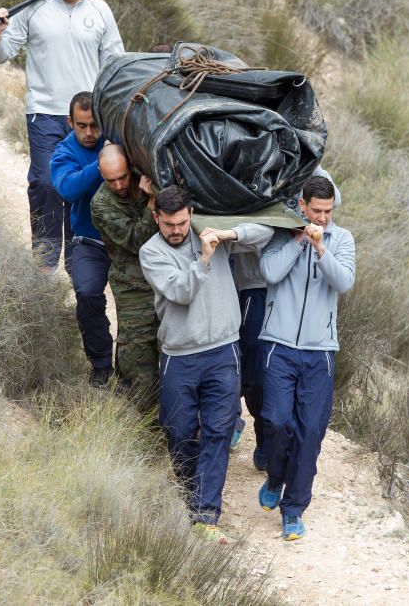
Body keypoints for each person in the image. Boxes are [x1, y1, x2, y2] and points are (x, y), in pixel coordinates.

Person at [139, 185, 274, 543]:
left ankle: (206, 515)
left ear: (191, 214)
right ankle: (193, 497)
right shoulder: (151, 252)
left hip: (223, 353)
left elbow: (265, 232)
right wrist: (203, 261)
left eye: (182, 222)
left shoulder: (208, 233)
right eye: (168, 224)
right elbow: (181, 291)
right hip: (179, 356)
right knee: (178, 431)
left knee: (217, 431)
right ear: (157, 218)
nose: (176, 230)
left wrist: (226, 233)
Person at [0, 0, 124, 274]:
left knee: (82, 186)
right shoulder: (33, 10)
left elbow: (114, 61)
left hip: (89, 118)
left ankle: (79, 265)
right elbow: (1, 55)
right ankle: (44, 266)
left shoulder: (100, 10)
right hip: (45, 113)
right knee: (47, 184)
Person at [257, 175, 355, 540]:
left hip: (320, 352)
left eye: (328, 211)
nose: (323, 218)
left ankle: (294, 510)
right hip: (278, 346)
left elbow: (344, 282)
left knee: (310, 432)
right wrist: (299, 240)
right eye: (317, 211)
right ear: (302, 206)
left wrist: (320, 249)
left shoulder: (341, 240)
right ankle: (275, 476)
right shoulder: (283, 233)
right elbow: (269, 272)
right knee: (278, 422)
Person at [232, 166, 342, 470]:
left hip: (297, 286)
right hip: (255, 282)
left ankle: (271, 447)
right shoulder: (244, 158)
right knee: (255, 374)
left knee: (281, 379)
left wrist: (307, 165)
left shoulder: (304, 162)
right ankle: (258, 431)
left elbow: (331, 198)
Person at [50, 91, 114, 387]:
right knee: (87, 296)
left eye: (94, 126)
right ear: (69, 123)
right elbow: (68, 189)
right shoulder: (64, 153)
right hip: (88, 241)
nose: (89, 133)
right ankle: (101, 365)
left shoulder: (119, 137)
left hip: (129, 241)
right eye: (81, 126)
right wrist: (105, 163)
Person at [90, 144, 159, 404]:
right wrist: (150, 202)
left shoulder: (146, 176)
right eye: (111, 180)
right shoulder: (101, 204)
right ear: (100, 173)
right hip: (132, 285)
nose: (118, 185)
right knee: (137, 354)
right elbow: (136, 241)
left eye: (122, 177)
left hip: (164, 280)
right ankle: (140, 424)